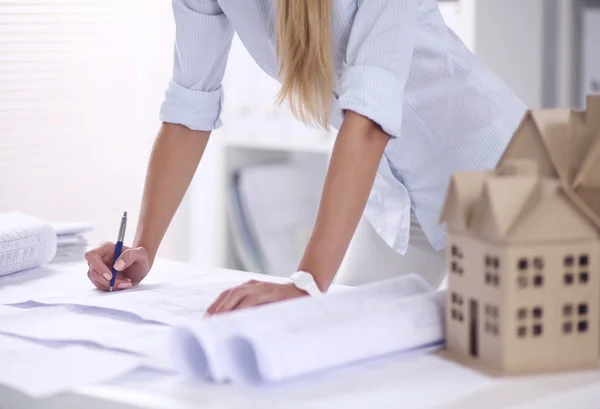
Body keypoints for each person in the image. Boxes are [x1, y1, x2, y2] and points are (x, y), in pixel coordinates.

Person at [85, 0, 527, 314]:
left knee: (523, 373)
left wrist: (305, 282)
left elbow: (369, 118)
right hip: (400, 197)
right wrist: (142, 247)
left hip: (499, 179)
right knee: (336, 346)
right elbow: (189, 105)